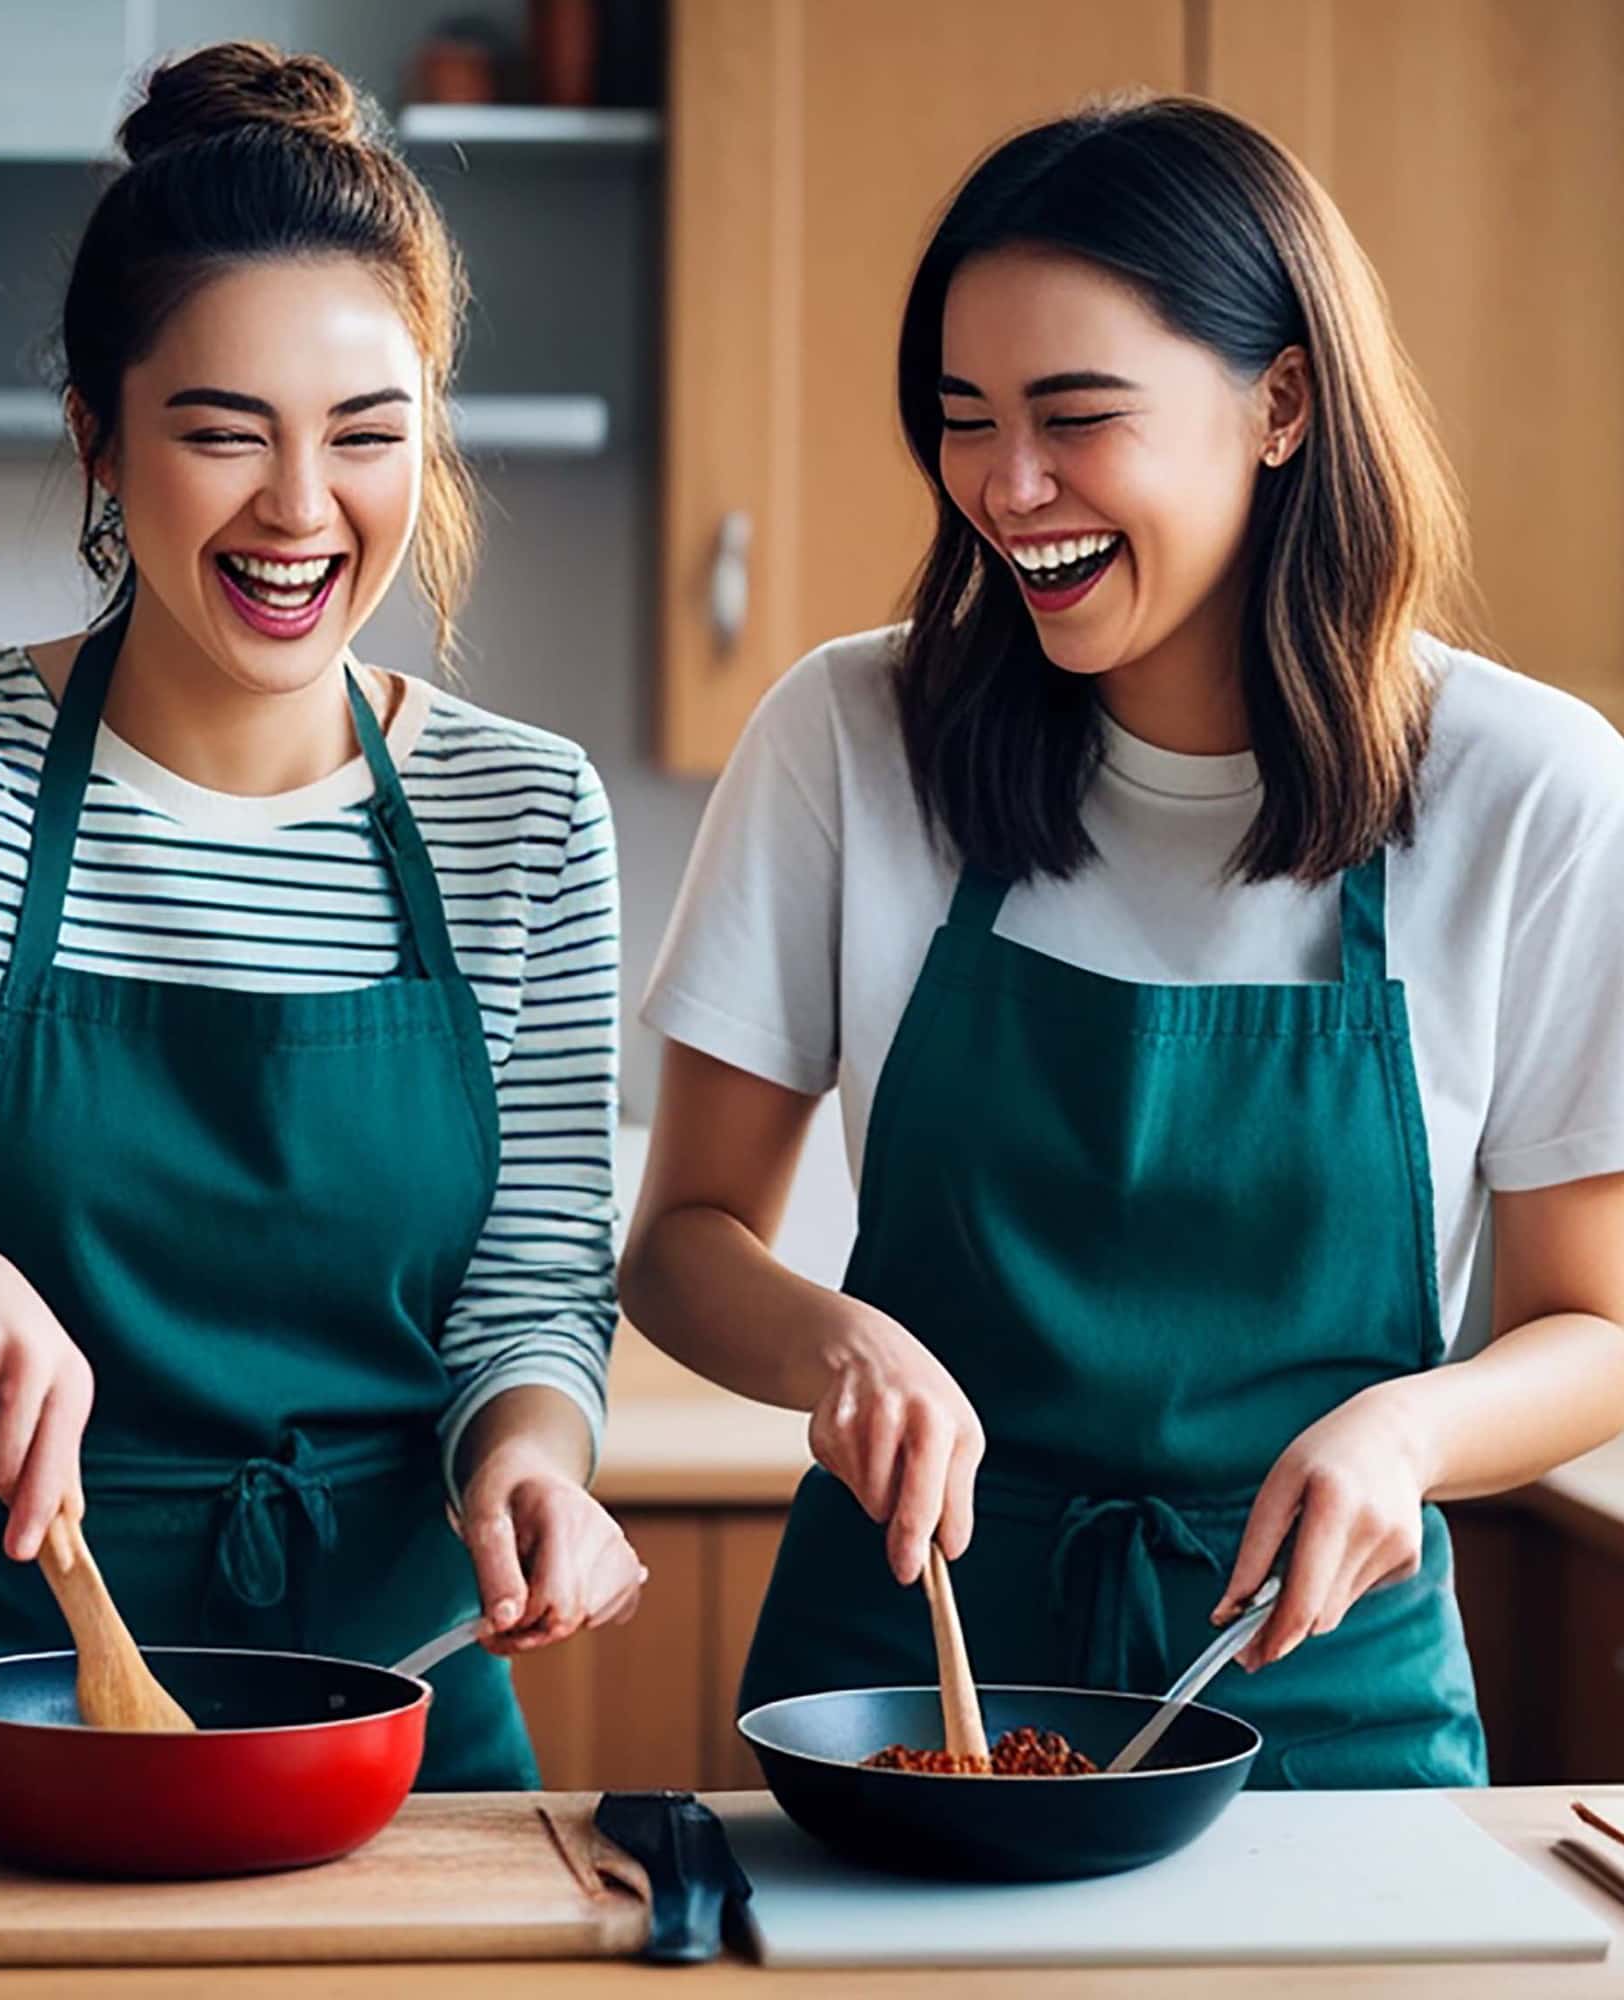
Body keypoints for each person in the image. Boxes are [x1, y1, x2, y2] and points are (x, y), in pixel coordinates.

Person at [0, 42, 642, 1793]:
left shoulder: (525, 811)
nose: (302, 510)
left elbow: (529, 1300)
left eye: (367, 436)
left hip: (393, 1713)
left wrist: (537, 1461)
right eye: (222, 431)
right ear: (98, 432)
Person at [620, 95, 1624, 1788]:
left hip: (1320, 1710)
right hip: (899, 1692)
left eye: (1077, 418)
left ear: (1282, 403)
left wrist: (1410, 1430)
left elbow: (1592, 1328)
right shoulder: (851, 738)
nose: (1009, 490)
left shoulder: (1528, 790)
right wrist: (832, 1342)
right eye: (965, 420)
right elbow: (682, 1243)